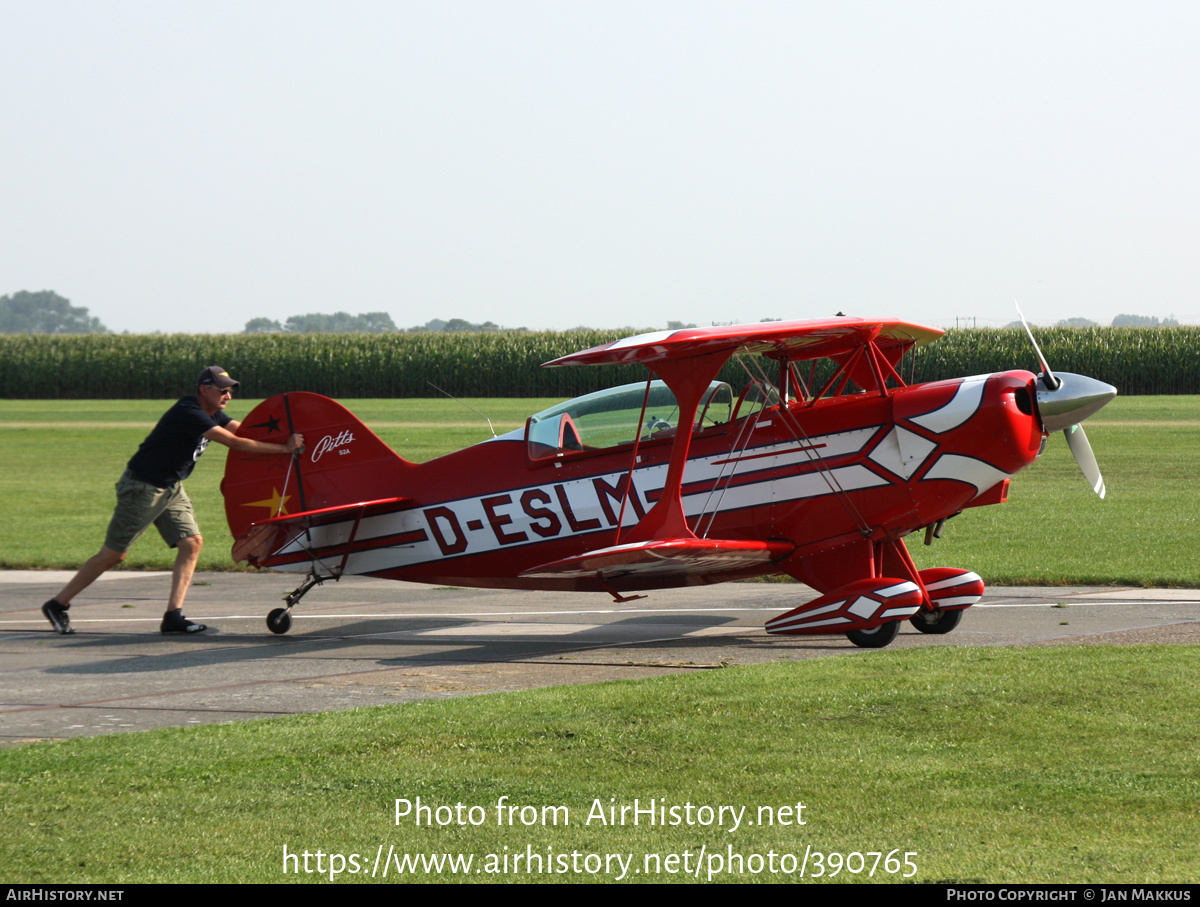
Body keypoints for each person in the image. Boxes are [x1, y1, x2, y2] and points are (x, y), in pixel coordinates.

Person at [42, 366, 304, 635]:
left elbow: (245, 432)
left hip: (170, 486)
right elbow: (236, 443)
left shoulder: (213, 412)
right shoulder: (189, 411)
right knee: (114, 554)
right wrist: (284, 449)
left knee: (192, 543)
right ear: (204, 390)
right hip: (143, 486)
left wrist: (292, 438)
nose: (228, 395)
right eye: (222, 390)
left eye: (230, 390)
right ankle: (57, 604)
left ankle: (173, 617)